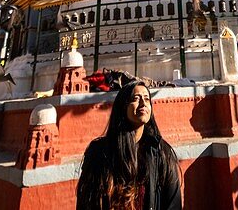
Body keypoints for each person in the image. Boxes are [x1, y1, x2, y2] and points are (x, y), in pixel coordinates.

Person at [76, 80, 181, 209]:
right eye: (136, 99)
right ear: (122, 107)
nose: (143, 103)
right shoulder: (99, 153)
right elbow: (85, 202)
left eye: (147, 99)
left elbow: (173, 204)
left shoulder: (161, 153)